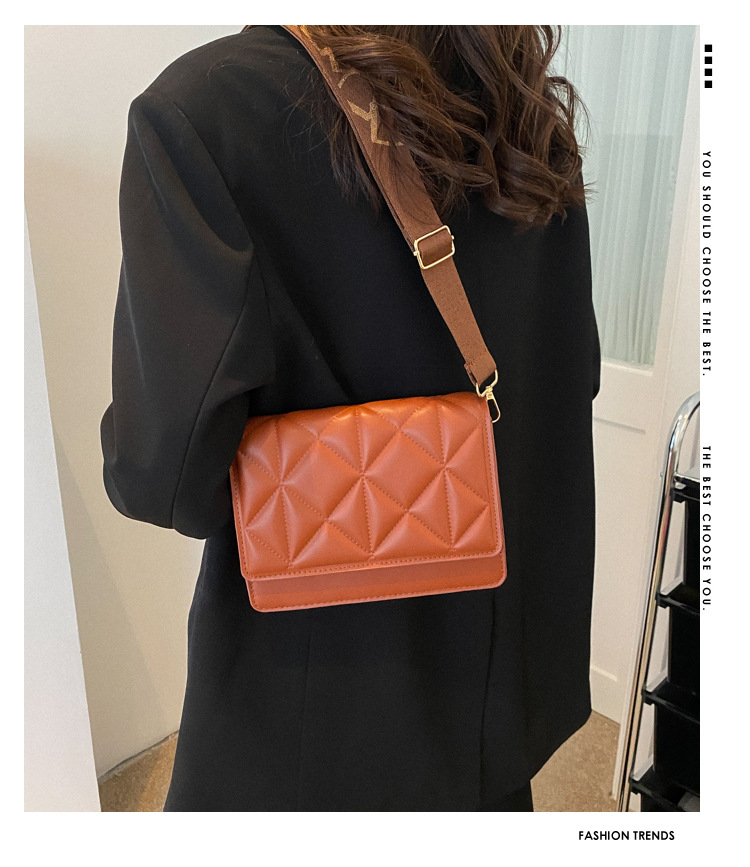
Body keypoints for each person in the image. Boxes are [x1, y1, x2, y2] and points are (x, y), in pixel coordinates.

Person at [100, 24, 600, 812]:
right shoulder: (530, 118)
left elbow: (163, 478)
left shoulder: (205, 111)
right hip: (493, 713)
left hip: (314, 732)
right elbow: (569, 379)